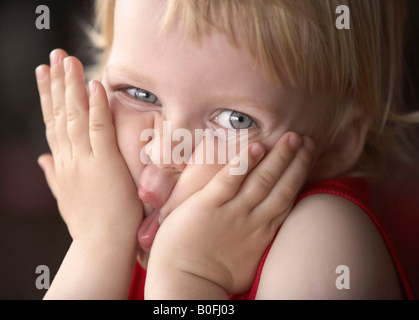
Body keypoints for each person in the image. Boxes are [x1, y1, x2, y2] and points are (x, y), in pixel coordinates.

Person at [35, 0, 417, 299]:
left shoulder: (326, 239)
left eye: (236, 120)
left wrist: (188, 279)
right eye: (139, 94)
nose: (166, 154)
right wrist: (98, 243)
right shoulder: (119, 219)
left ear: (338, 145)